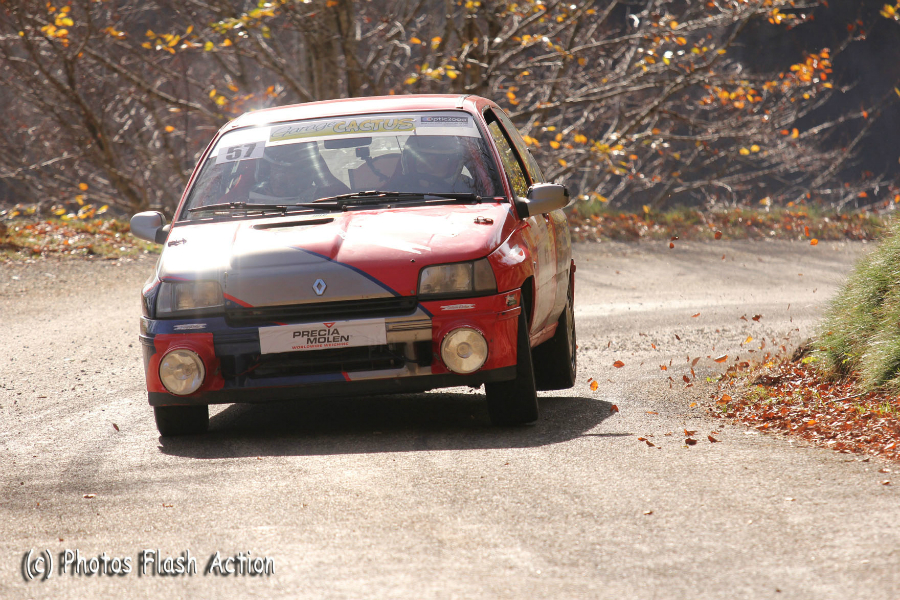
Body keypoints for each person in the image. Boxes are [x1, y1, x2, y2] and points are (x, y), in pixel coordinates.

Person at [250, 142, 348, 201]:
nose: (280, 176)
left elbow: (345, 198)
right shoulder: (252, 199)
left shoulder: (320, 196)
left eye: (289, 171)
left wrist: (321, 174)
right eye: (276, 168)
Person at [391, 135, 476, 194]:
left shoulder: (467, 187)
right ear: (410, 162)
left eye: (439, 158)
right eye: (423, 157)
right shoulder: (396, 189)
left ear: (452, 164)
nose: (430, 165)